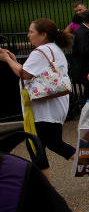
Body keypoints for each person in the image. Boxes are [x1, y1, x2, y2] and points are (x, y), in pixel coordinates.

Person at [0, 19, 76, 177]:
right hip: (55, 106)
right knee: (55, 143)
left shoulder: (40, 52)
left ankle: (46, 188)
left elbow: (24, 74)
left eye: (31, 32)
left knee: (35, 147)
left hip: (43, 110)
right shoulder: (54, 49)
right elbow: (33, 71)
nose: (28, 35)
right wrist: (14, 60)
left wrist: (7, 60)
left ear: (43, 34)